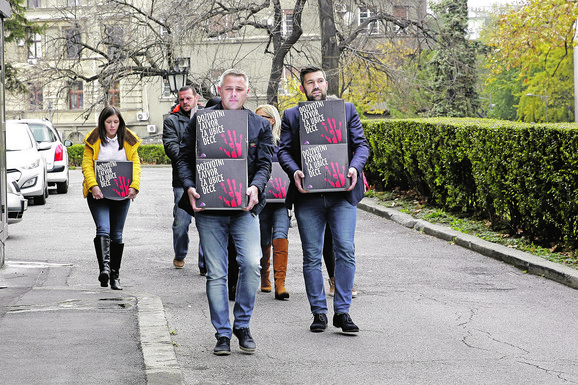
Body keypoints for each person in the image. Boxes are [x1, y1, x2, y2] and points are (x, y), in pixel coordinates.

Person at [176, 68, 273, 355]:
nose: (233, 94)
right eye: (228, 89)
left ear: (246, 92)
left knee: (253, 263)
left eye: (239, 89)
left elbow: (266, 164)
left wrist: (256, 187)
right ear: (220, 91)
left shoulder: (259, 125)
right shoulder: (201, 121)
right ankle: (222, 334)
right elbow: (183, 158)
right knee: (216, 273)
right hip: (209, 209)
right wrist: (190, 185)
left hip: (245, 208)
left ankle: (241, 325)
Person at [278, 65, 369, 334]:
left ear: (326, 84)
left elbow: (362, 145)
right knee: (311, 256)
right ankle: (318, 312)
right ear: (303, 87)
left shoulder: (346, 110)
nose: (315, 86)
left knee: (346, 250)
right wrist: (294, 171)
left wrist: (354, 167)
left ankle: (342, 312)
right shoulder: (292, 116)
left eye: (319, 81)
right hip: (308, 197)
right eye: (310, 83)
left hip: (341, 195)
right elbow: (283, 151)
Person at [82, 106, 141, 290]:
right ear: (102, 122)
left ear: (120, 122)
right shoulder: (93, 139)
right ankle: (105, 270)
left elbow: (136, 165)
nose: (112, 125)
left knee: (117, 234)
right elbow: (86, 165)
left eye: (116, 122)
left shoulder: (129, 139)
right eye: (109, 122)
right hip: (98, 194)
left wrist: (134, 186)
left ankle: (115, 275)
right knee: (103, 228)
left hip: (121, 194)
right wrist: (93, 186)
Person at [163, 85, 202, 269]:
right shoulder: (171, 120)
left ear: (196, 98)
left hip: (206, 176)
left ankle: (205, 263)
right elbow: (171, 148)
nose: (185, 102)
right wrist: (194, 156)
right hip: (181, 178)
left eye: (188, 98)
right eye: (181, 99)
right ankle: (180, 253)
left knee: (207, 223)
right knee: (181, 222)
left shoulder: (207, 116)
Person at [255, 104, 290, 300]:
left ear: (273, 120)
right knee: (263, 240)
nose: (259, 121)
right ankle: (264, 277)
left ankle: (280, 283)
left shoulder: (283, 143)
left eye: (263, 117)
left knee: (280, 236)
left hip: (282, 201)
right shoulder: (253, 142)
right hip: (262, 200)